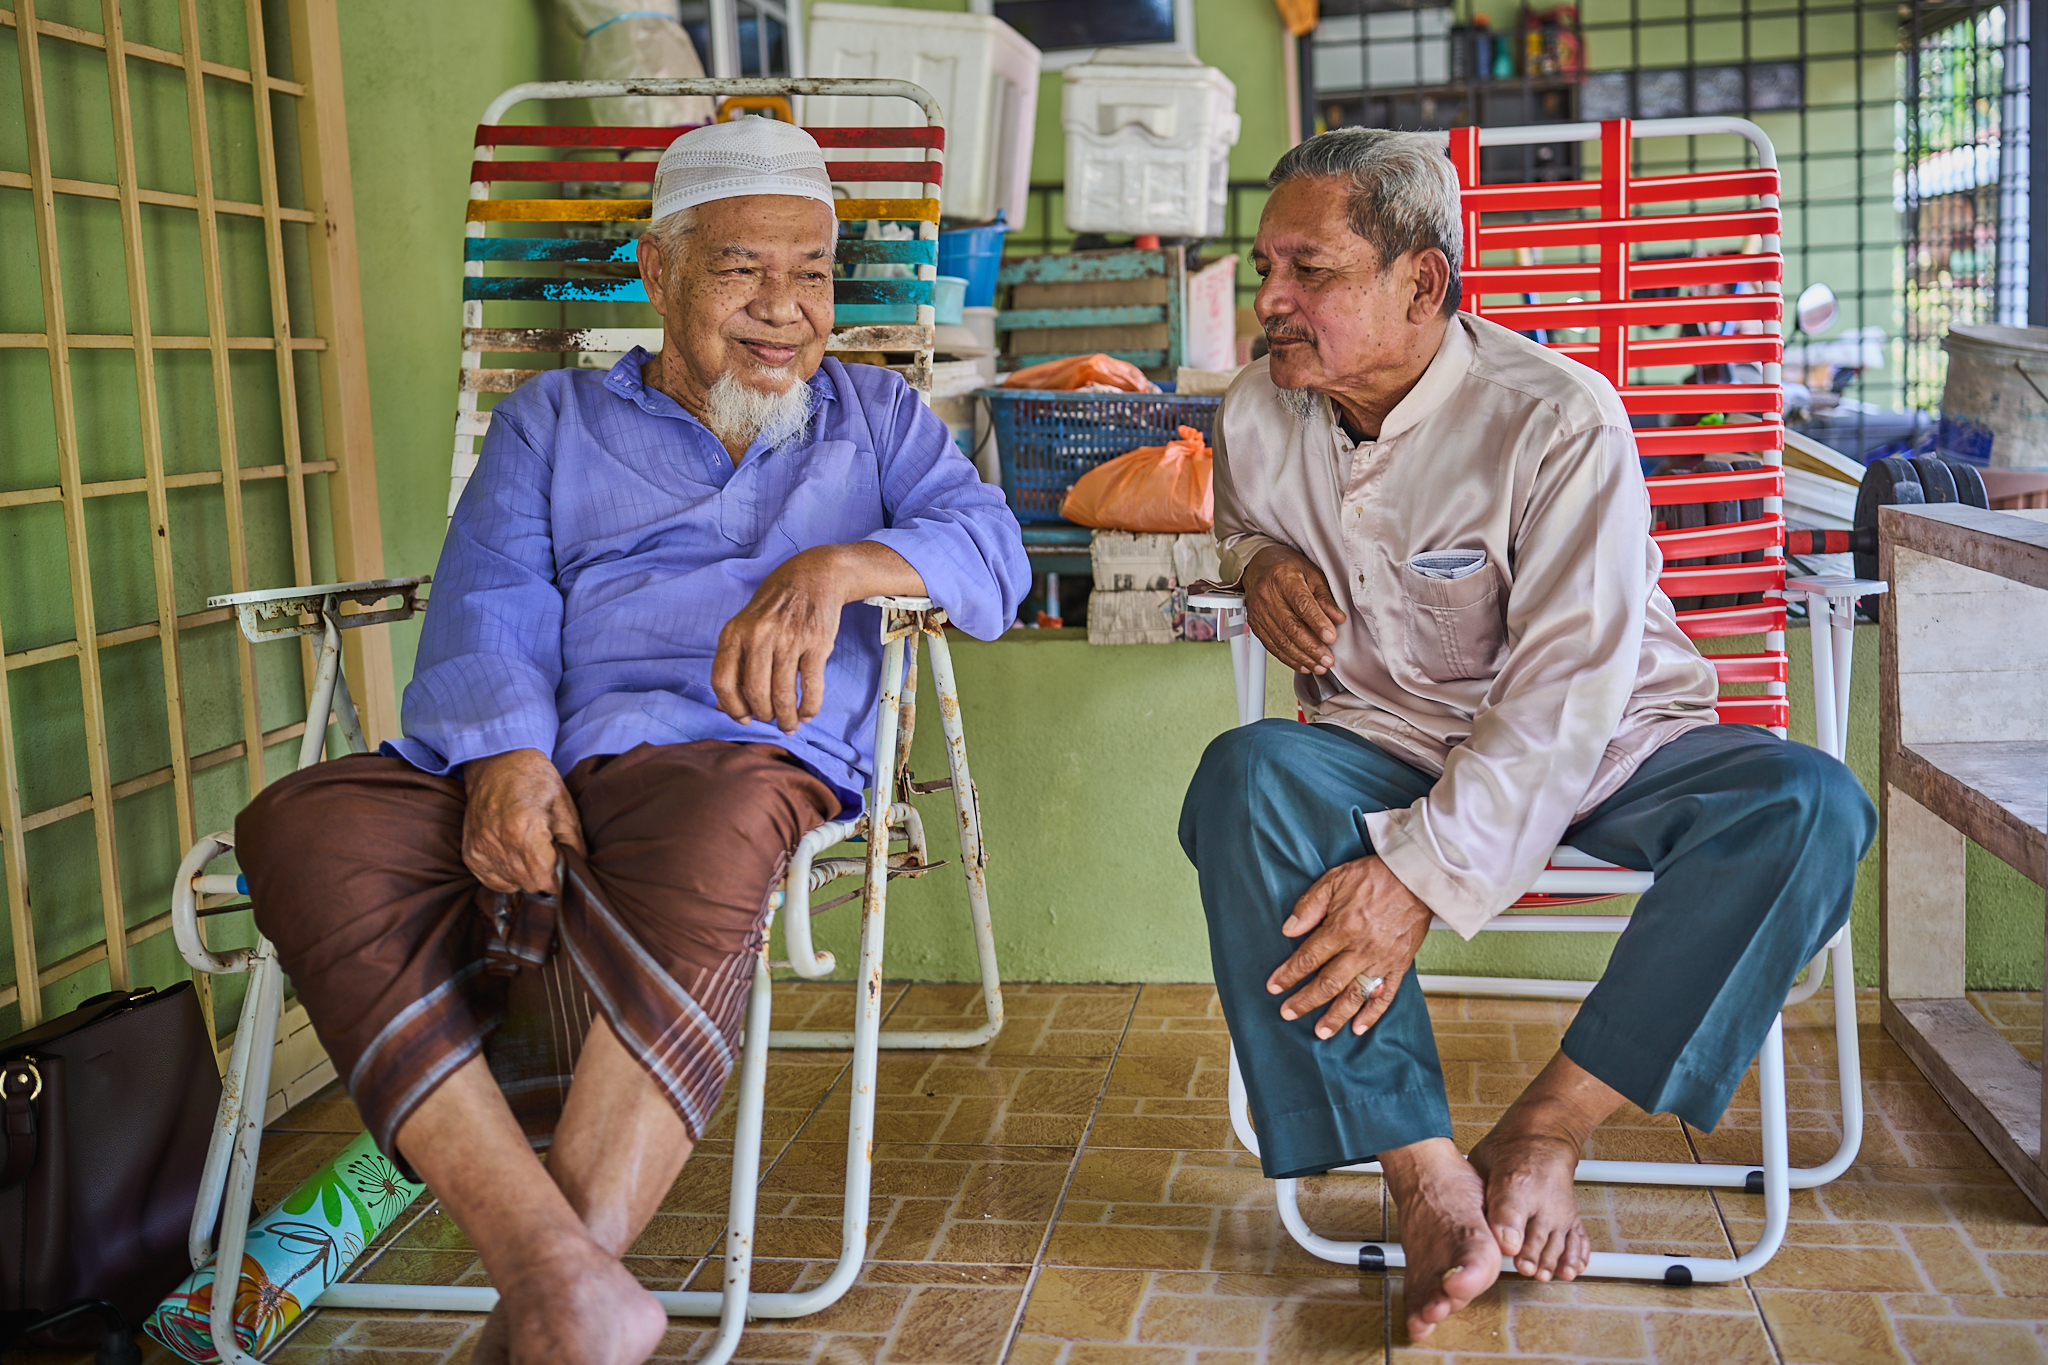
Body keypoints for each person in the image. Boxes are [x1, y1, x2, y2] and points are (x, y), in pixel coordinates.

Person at [235, 119, 1027, 1365]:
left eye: (811, 273)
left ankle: (554, 1300)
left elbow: (992, 550)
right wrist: (505, 757)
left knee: (718, 821)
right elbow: (489, 594)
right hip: (550, 749)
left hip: (741, 759)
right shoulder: (552, 421)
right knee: (305, 824)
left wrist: (836, 566)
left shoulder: (874, 417)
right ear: (656, 273)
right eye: (740, 271)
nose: (785, 309)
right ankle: (560, 1279)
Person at [1177, 128, 1873, 1343]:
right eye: (1265, 266)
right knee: (1243, 780)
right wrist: (1255, 563)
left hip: (1613, 738)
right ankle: (1422, 1173)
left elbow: (1565, 693)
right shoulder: (1256, 408)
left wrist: (1415, 874)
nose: (1268, 299)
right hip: (1387, 731)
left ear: (1422, 286)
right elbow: (1241, 520)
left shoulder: (1556, 418)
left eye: (1309, 271)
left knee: (1807, 808)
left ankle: (1543, 1132)